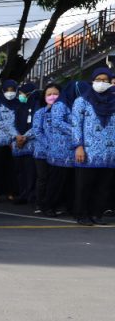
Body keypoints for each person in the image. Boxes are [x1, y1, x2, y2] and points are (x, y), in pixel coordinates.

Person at [71, 67, 115, 225]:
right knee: (84, 185)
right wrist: (78, 146)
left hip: (109, 152)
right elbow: (76, 125)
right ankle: (82, 214)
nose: (101, 83)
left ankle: (97, 214)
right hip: (88, 151)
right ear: (92, 81)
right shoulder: (82, 101)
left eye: (105, 80)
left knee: (103, 186)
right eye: (98, 80)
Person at [45, 81, 83, 216]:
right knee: (56, 181)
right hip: (60, 152)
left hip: (71, 151)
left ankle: (68, 207)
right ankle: (49, 207)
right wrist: (77, 131)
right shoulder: (60, 104)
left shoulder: (74, 104)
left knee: (69, 182)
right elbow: (57, 123)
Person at [30, 83, 62, 215]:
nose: (52, 96)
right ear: (44, 97)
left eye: (55, 94)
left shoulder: (65, 111)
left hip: (59, 152)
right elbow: (37, 131)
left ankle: (53, 204)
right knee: (43, 178)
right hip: (42, 152)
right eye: (49, 94)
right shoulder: (40, 113)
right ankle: (40, 203)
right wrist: (50, 145)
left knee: (55, 180)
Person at [0, 79, 20, 202]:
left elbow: (20, 121)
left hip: (14, 142)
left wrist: (16, 137)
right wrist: (15, 134)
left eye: (12, 90)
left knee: (11, 168)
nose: (10, 93)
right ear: (3, 90)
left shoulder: (19, 103)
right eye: (7, 90)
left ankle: (11, 192)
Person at [11, 82, 39, 205]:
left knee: (30, 172)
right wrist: (17, 136)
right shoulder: (18, 106)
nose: (20, 96)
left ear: (29, 93)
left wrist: (25, 137)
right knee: (20, 172)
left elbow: (36, 126)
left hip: (30, 144)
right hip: (18, 144)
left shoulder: (37, 106)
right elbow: (12, 124)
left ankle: (31, 195)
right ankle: (22, 194)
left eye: (22, 93)